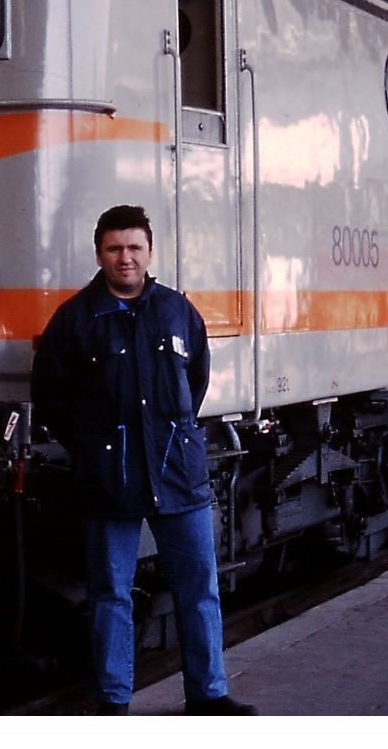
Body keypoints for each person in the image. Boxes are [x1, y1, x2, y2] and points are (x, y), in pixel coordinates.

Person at [30, 204, 256, 716]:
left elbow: (195, 379)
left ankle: (208, 695)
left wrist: (169, 435)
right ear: (99, 254)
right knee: (111, 592)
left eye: (134, 248)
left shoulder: (177, 311)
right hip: (111, 476)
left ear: (150, 252)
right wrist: (92, 445)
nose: (125, 258)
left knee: (199, 586)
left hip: (178, 470)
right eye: (114, 249)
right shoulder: (75, 320)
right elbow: (50, 395)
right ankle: (113, 703)